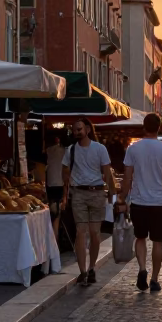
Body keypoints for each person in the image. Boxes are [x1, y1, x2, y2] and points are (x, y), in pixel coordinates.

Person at [116, 113, 162, 293]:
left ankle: (142, 268)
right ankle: (154, 279)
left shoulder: (133, 149)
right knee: (158, 242)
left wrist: (123, 197)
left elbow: (127, 178)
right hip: (160, 202)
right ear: (159, 127)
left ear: (144, 127)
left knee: (140, 237)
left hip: (139, 201)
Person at [61, 117, 116, 287]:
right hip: (78, 193)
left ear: (88, 130)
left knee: (94, 232)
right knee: (80, 232)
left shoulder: (99, 149)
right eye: (74, 129)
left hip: (96, 193)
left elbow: (107, 173)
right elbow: (65, 172)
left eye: (79, 129)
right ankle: (82, 271)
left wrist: (113, 194)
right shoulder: (71, 150)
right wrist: (65, 194)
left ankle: (92, 267)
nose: (76, 132)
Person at [45, 133, 67, 242]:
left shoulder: (48, 151)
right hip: (60, 186)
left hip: (50, 186)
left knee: (53, 214)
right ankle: (56, 241)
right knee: (56, 216)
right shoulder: (65, 151)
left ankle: (54, 240)